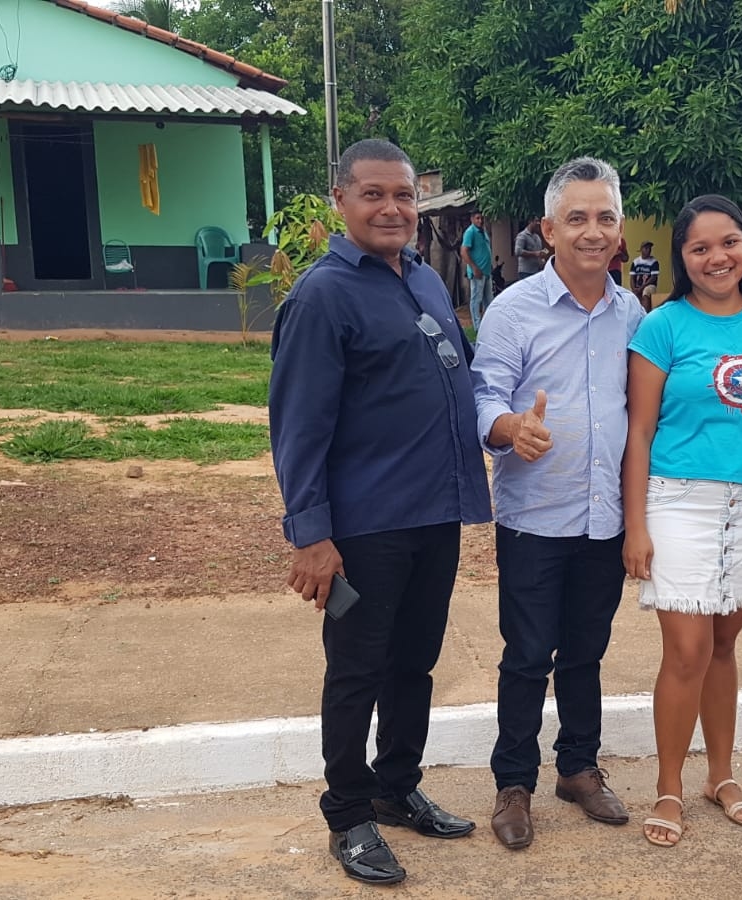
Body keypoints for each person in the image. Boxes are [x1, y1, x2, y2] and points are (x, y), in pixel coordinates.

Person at [269, 139, 493, 887]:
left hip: (434, 515)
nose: (393, 207)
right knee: (356, 671)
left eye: (403, 194)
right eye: (373, 194)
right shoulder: (322, 295)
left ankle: (396, 786)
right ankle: (349, 811)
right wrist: (311, 535)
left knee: (414, 664)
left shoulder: (425, 280)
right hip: (364, 525)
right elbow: (299, 425)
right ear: (341, 201)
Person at [471, 157, 646, 851]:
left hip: (603, 517)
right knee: (525, 655)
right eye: (576, 219)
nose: (592, 231)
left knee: (585, 651)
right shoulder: (514, 310)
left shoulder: (632, 312)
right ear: (549, 230)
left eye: (605, 217)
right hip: (534, 518)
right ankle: (513, 782)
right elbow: (484, 396)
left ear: (620, 228)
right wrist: (512, 429)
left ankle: (577, 767)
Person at [623, 194, 742, 848]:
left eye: (728, 242)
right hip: (678, 501)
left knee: (725, 647)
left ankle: (719, 776)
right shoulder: (662, 326)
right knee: (687, 650)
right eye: (699, 248)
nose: (715, 257)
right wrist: (635, 525)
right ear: (682, 258)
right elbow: (639, 432)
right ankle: (669, 785)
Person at [462, 210, 494, 327]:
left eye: (481, 218)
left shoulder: (483, 231)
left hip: (486, 271)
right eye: (477, 218)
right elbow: (464, 251)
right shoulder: (470, 232)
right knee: (477, 299)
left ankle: (488, 324)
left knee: (489, 300)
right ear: (472, 219)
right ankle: (477, 326)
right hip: (477, 272)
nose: (480, 221)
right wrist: (474, 268)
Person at [514, 216, 548, 283]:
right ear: (530, 222)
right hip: (526, 272)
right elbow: (517, 251)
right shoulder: (522, 235)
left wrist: (543, 257)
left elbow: (540, 252)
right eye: (536, 221)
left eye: (538, 221)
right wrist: (534, 253)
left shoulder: (537, 237)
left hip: (537, 271)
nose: (538, 223)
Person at [630, 240, 661, 310]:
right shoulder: (635, 262)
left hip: (650, 285)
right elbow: (632, 277)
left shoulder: (654, 262)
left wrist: (642, 287)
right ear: (641, 250)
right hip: (638, 286)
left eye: (650, 248)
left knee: (646, 292)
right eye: (646, 248)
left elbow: (653, 277)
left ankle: (645, 315)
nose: (648, 250)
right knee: (631, 296)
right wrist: (633, 288)